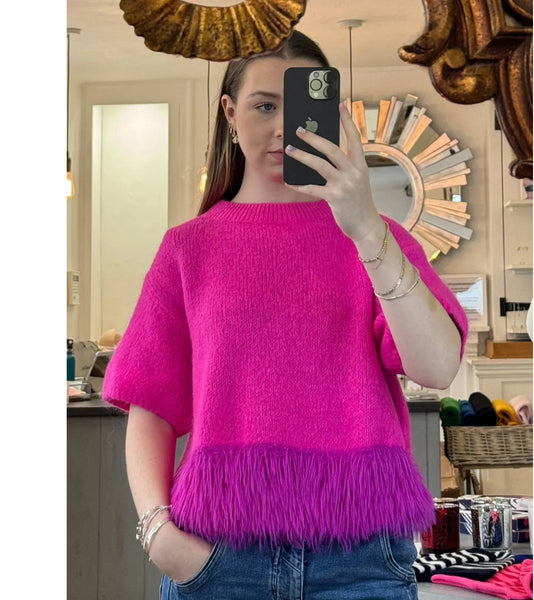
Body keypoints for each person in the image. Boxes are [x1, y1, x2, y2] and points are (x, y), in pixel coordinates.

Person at [103, 29, 467, 600]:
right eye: (264, 106)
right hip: (217, 557)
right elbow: (151, 406)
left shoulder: (378, 240)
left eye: (296, 108)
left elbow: (438, 367)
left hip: (361, 559)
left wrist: (366, 227)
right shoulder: (188, 249)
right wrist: (159, 537)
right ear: (230, 113)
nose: (281, 128)